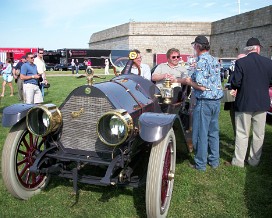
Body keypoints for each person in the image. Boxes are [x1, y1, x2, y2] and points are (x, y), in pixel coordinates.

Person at [229, 37, 272, 167]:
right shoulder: (268, 62)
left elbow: (235, 82)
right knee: (259, 134)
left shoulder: (241, 62)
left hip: (245, 102)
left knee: (242, 133)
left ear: (247, 49)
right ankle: (254, 160)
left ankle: (239, 161)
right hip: (262, 102)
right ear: (258, 48)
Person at [188, 35, 223, 171]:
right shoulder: (214, 60)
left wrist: (189, 82)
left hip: (205, 101)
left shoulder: (201, 61)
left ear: (197, 46)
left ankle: (200, 164)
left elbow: (202, 86)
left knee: (201, 133)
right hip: (216, 101)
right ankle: (214, 161)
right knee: (213, 132)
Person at [223, 53, 246, 136]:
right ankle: (237, 139)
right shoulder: (233, 72)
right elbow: (230, 84)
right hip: (232, 101)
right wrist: (227, 89)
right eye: (237, 60)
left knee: (243, 125)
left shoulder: (247, 73)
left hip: (242, 102)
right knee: (234, 123)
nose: (237, 62)